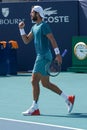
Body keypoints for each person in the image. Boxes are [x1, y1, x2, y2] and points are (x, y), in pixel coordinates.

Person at [19, 5, 75, 116]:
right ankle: (68, 98)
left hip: (43, 56)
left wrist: (58, 54)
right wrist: (21, 29)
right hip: (41, 56)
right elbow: (26, 40)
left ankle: (35, 107)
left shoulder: (44, 26)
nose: (30, 14)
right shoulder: (34, 27)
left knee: (34, 81)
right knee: (45, 83)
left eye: (32, 12)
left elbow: (52, 39)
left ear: (37, 14)